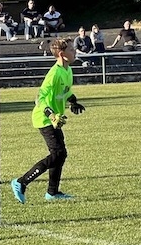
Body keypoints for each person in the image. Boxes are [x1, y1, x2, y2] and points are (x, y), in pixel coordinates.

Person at [10, 37, 86, 203]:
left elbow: (65, 91)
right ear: (62, 54)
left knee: (60, 154)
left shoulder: (67, 70)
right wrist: (51, 115)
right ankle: (21, 182)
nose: (74, 51)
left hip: (54, 119)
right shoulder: (54, 74)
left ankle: (52, 193)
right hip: (44, 118)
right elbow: (40, 98)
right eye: (71, 49)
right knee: (58, 153)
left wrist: (73, 101)